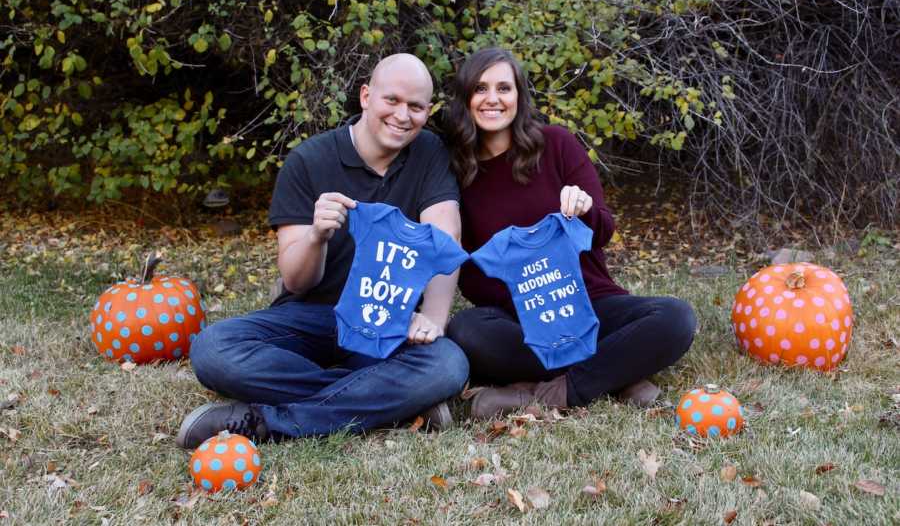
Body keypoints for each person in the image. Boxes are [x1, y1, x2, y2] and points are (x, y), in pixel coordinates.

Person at [176, 54, 469, 448]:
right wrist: (316, 236)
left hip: (385, 320)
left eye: (416, 107)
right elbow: (297, 279)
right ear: (366, 96)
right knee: (212, 349)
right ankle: (390, 401)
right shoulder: (308, 161)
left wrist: (434, 318)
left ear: (427, 111)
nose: (403, 115)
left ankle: (271, 422)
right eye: (392, 100)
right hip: (310, 318)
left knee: (448, 364)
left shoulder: (429, 152)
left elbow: (444, 235)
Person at [443, 48, 696, 418]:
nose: (493, 99)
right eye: (480, 89)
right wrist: (523, 273)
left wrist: (585, 209)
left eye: (504, 88)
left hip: (592, 303)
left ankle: (551, 394)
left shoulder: (556, 144)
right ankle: (618, 374)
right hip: (520, 319)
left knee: (676, 318)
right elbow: (471, 281)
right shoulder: (459, 174)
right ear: (466, 98)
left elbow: (604, 230)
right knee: (467, 329)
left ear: (519, 96)